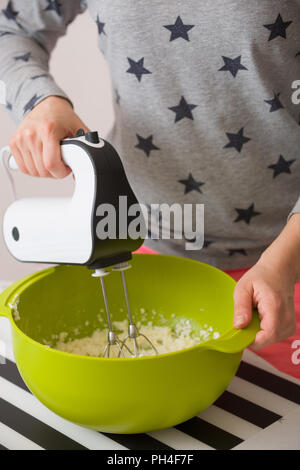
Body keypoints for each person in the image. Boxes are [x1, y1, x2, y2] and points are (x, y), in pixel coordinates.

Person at [0, 1, 299, 354]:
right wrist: (41, 102)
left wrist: (286, 260)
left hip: (286, 267)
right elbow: (12, 30)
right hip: (136, 249)